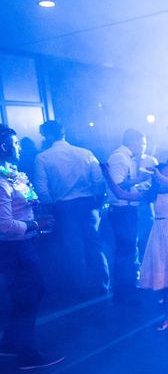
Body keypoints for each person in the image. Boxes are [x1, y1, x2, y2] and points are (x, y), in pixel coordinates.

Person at [102, 162, 168, 331]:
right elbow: (121, 194)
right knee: (166, 279)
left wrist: (161, 176)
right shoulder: (153, 194)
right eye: (167, 174)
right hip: (162, 236)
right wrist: (107, 176)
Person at [0, 128, 64, 370]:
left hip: (22, 243)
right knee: (32, 293)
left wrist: (35, 221)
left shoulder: (11, 174)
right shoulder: (1, 182)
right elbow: (4, 224)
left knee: (24, 295)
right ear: (4, 147)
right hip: (12, 248)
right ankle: (27, 355)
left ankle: (10, 342)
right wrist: (37, 224)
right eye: (15, 143)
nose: (20, 147)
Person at [33, 120, 109, 297]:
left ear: (48, 135)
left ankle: (80, 289)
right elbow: (98, 180)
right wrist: (96, 200)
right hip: (88, 204)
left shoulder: (43, 157)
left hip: (63, 206)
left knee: (72, 248)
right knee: (94, 245)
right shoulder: (84, 152)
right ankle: (101, 285)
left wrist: (51, 206)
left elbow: (42, 188)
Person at [106, 129, 149, 304]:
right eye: (143, 142)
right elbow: (117, 186)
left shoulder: (127, 157)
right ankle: (122, 292)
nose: (144, 146)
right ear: (136, 141)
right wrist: (139, 179)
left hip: (128, 210)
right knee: (125, 250)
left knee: (130, 249)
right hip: (122, 211)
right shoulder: (119, 157)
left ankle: (129, 287)